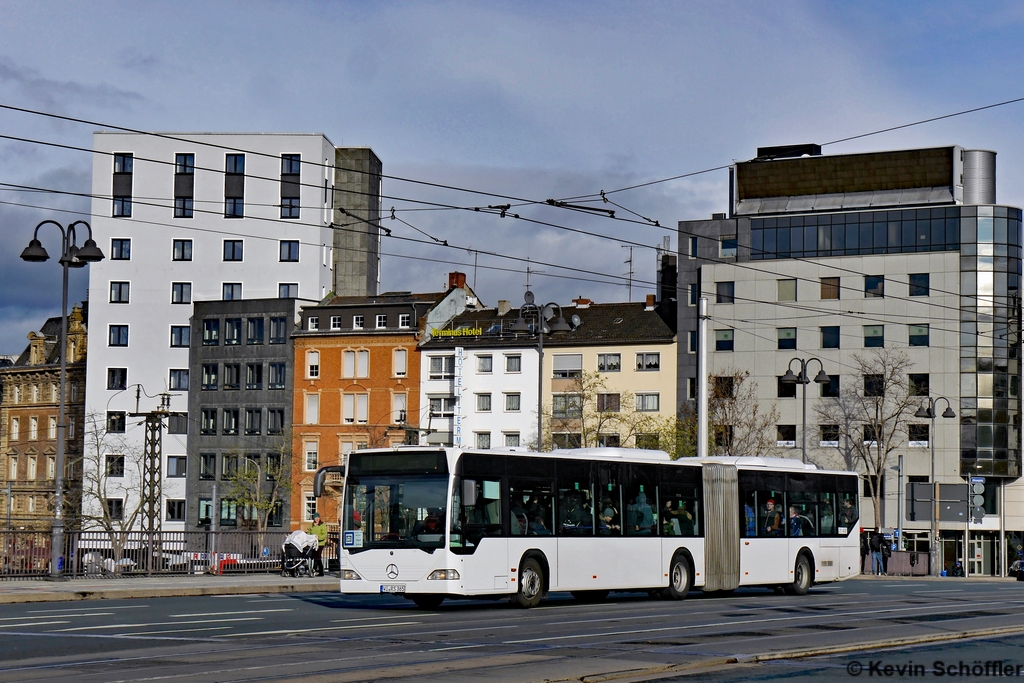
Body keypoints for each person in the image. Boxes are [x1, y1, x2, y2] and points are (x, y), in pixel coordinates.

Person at [308, 512, 328, 577]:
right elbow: (309, 533)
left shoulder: (322, 525)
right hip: (313, 544)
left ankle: (314, 569)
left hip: (320, 543)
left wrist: (318, 537)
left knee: (317, 555)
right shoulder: (311, 525)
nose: (317, 519)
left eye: (318, 518)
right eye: (315, 518)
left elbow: (324, 534)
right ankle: (321, 571)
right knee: (317, 557)